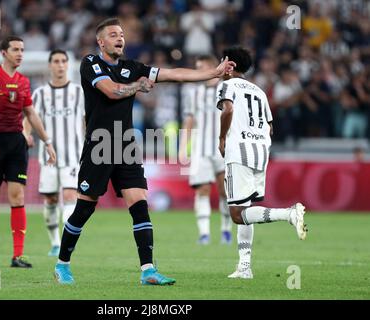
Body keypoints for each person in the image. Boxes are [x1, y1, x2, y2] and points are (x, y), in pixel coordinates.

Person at [54, 17, 235, 285]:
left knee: (139, 205)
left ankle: (148, 270)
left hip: (126, 144)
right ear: (101, 41)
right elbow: (111, 91)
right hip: (100, 144)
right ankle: (62, 264)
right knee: (84, 208)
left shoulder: (132, 67)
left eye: (122, 34)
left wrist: (213, 73)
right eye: (113, 34)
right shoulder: (90, 63)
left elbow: (174, 74)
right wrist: (138, 86)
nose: (120, 38)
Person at [0, 35, 56, 268]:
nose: (20, 53)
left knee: (18, 196)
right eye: (15, 49)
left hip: (16, 144)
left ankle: (18, 255)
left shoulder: (24, 82)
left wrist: (46, 141)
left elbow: (31, 114)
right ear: (4, 52)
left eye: (22, 49)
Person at [218, 46, 307, 279]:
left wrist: (221, 137)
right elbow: (270, 126)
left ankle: (288, 214)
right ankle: (245, 267)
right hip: (260, 152)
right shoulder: (259, 90)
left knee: (237, 214)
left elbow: (227, 110)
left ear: (230, 65)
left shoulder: (227, 86)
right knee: (247, 209)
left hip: (239, 151)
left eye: (222, 62)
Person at [23, 49, 85, 257]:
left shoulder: (79, 92)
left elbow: (87, 120)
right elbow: (30, 118)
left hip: (72, 155)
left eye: (63, 61)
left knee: (69, 196)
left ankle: (68, 243)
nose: (60, 65)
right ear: (50, 65)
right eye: (56, 61)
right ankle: (56, 243)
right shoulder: (40, 94)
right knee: (50, 199)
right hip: (48, 157)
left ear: (68, 65)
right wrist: (25, 134)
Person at [180, 55, 232, 245]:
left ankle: (226, 230)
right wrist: (182, 147)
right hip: (200, 149)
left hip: (223, 148)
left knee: (224, 191)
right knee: (202, 190)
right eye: (197, 67)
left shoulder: (226, 89)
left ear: (212, 67)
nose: (198, 71)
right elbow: (189, 120)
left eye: (201, 67)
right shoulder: (193, 93)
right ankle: (204, 233)